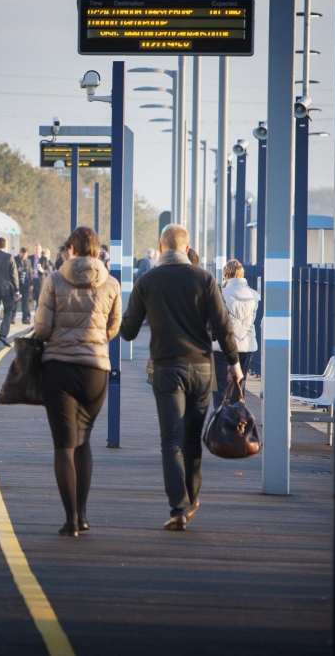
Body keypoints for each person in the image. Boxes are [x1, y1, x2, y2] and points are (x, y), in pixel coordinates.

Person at [119, 225, 242, 531]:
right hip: (201, 369)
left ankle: (178, 508)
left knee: (170, 441)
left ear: (160, 249)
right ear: (187, 249)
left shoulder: (147, 281)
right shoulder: (204, 279)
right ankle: (193, 498)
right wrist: (234, 364)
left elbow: (128, 331)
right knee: (191, 442)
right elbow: (223, 326)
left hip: (166, 369)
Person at [34, 226, 121, 537]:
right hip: (96, 371)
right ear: (96, 250)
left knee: (64, 446)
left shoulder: (54, 279)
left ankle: (70, 519)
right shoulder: (111, 284)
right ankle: (83, 515)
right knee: (83, 442)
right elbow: (113, 329)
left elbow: (42, 331)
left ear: (71, 249)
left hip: (59, 368)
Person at [212, 259, 259, 408]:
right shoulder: (254, 295)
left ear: (226, 275)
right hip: (246, 346)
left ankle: (221, 420)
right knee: (240, 384)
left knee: (220, 384)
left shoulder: (219, 293)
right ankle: (237, 420)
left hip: (222, 346)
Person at [14, 247, 33, 324]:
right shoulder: (15, 259)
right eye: (23, 254)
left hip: (26, 284)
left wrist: (31, 284)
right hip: (17, 284)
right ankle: (12, 317)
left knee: (25, 302)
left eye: (26, 255)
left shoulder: (28, 261)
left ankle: (25, 318)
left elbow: (30, 272)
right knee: (15, 301)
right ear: (20, 253)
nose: (24, 256)